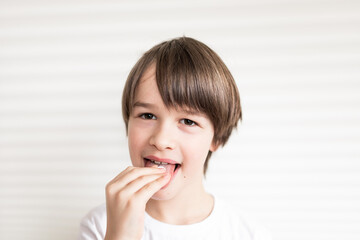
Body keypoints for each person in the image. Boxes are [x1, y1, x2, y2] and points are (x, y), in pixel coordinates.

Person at [78, 36, 272, 240]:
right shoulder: (101, 226)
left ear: (217, 138)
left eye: (188, 121)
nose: (161, 140)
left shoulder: (248, 234)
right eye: (147, 116)